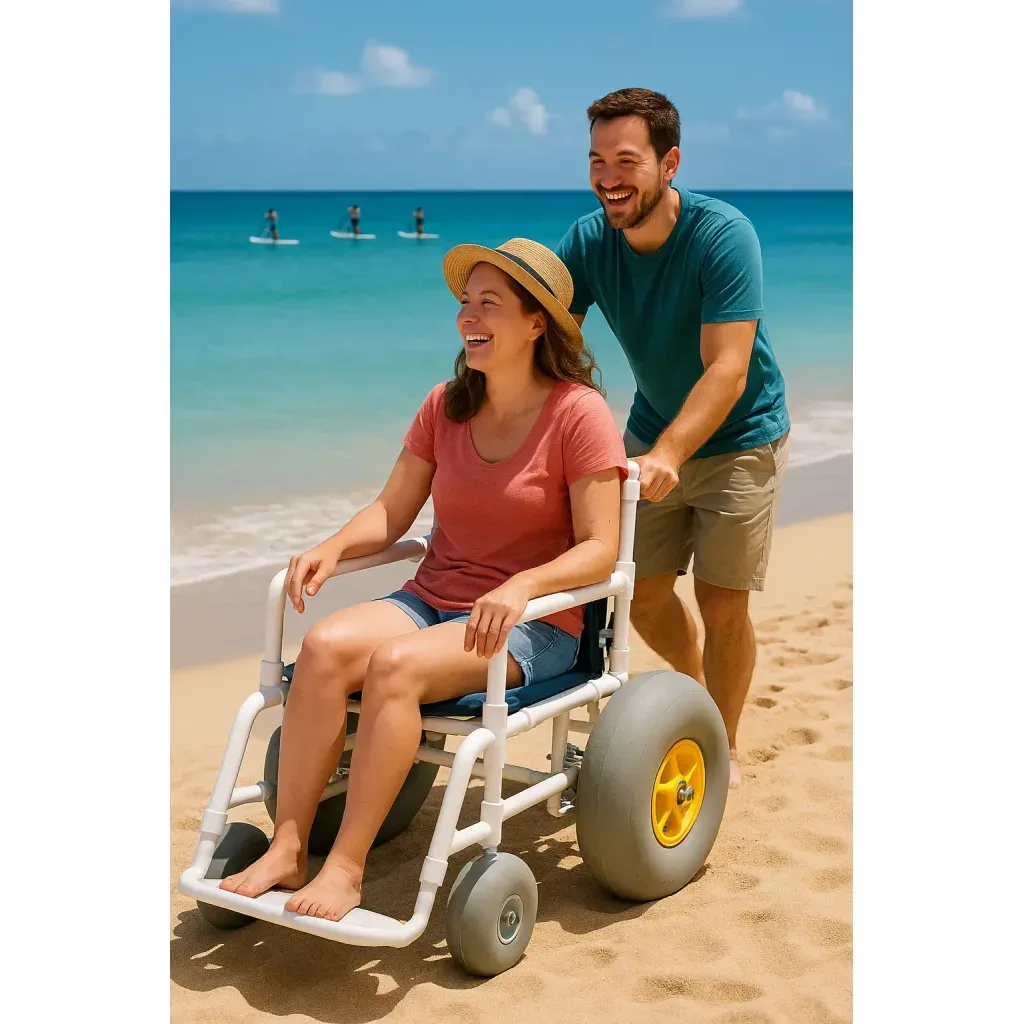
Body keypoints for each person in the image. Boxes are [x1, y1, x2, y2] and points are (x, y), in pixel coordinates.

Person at [219, 238, 627, 922]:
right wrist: (334, 545)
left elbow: (601, 547)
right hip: (434, 599)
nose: (469, 314)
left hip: (535, 626)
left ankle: (346, 867)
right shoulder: (446, 404)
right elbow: (391, 511)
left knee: (395, 669)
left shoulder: (577, 414)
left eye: (489, 303)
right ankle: (290, 846)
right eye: (466, 303)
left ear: (537, 324)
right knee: (321, 648)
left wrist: (524, 585)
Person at [555, 87, 791, 790]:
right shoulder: (590, 239)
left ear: (669, 163)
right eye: (596, 160)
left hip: (741, 436)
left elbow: (728, 365)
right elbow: (547, 341)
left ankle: (722, 740)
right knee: (645, 595)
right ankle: (693, 692)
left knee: (723, 604)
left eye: (626, 160)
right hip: (653, 428)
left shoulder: (722, 235)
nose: (607, 177)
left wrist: (668, 454)